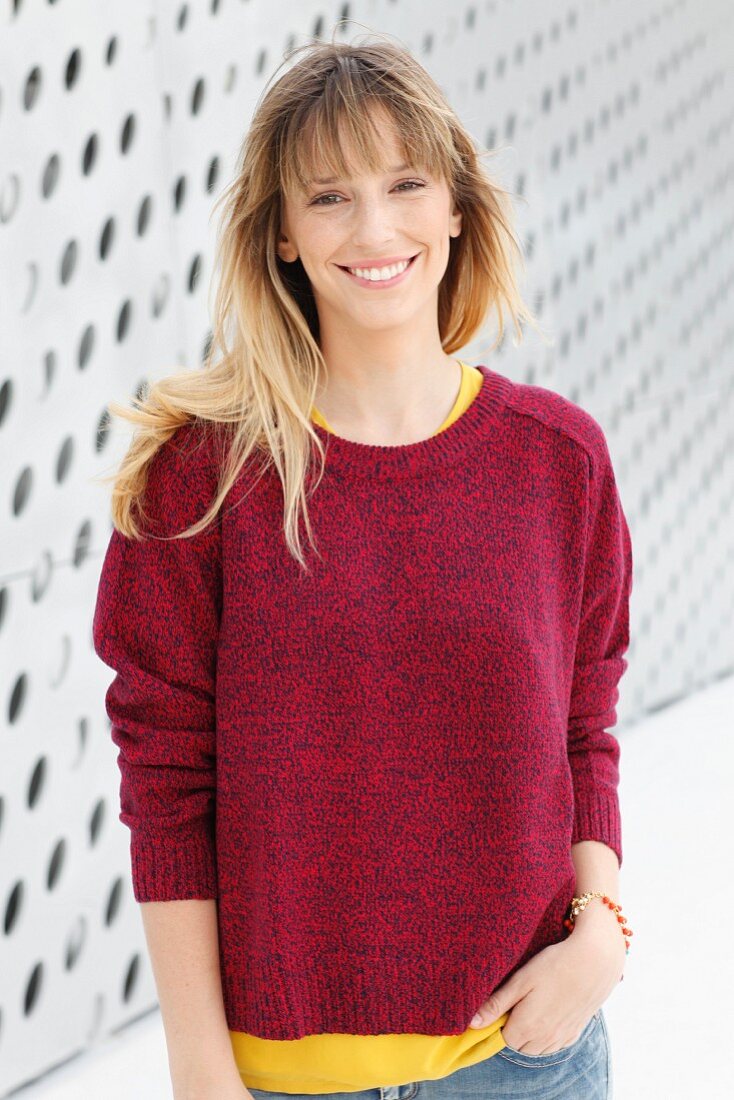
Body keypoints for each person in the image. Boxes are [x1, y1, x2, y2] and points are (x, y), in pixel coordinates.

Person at [92, 31, 633, 1100]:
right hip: (282, 1080)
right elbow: (166, 791)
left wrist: (600, 932)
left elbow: (583, 723)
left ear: (455, 208)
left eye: (404, 184)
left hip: (530, 1063)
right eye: (329, 197)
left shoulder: (554, 458)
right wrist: (198, 1068)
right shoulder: (199, 478)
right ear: (282, 235)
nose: (374, 228)